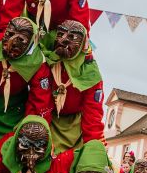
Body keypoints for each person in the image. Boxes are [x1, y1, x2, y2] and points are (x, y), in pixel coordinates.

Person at [41, 19, 103, 153]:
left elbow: (93, 113)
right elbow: (39, 98)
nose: (63, 40)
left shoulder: (91, 73)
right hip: (47, 120)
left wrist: (93, 149)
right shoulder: (46, 62)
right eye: (61, 34)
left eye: (72, 37)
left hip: (75, 128)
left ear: (82, 45)